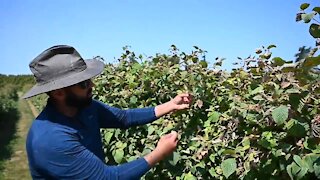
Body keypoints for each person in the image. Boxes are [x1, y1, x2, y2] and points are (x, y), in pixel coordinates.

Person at [23, 45, 192, 180]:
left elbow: (125, 118)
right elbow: (107, 177)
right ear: (58, 93)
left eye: (89, 80)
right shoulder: (51, 139)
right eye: (83, 84)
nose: (92, 86)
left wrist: (171, 105)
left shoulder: (85, 107)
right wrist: (159, 153)